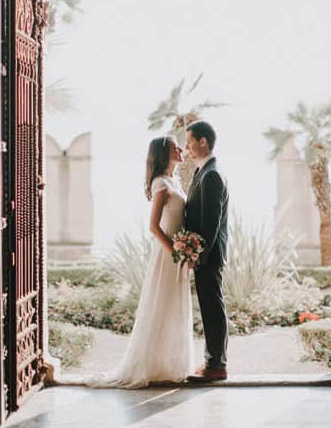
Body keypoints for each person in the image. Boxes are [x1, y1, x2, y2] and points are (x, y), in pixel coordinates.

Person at [86, 135, 194, 388]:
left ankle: (168, 365)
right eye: (174, 147)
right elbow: (154, 227)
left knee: (173, 307)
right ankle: (149, 365)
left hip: (177, 254)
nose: (180, 149)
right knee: (161, 305)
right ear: (163, 154)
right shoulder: (160, 184)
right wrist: (177, 252)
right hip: (167, 256)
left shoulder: (173, 181)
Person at [183, 120, 230, 382]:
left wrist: (198, 256)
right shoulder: (204, 171)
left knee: (213, 309)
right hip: (205, 254)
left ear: (203, 141)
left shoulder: (212, 174)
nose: (187, 148)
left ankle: (217, 367)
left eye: (190, 143)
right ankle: (212, 361)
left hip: (209, 256)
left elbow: (211, 222)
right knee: (210, 307)